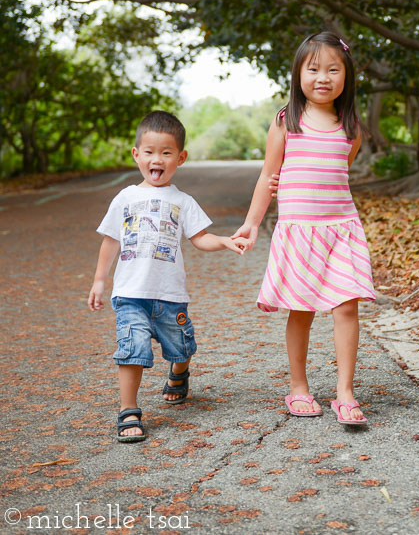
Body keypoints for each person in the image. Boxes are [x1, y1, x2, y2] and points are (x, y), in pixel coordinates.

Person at [234, 32, 376, 424]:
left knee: (346, 306)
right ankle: (298, 387)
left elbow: (338, 173)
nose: (323, 77)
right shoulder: (286, 121)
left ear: (346, 76)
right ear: (298, 74)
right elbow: (269, 174)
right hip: (299, 231)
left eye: (333, 69)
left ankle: (345, 393)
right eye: (313, 69)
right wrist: (251, 223)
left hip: (342, 229)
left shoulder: (351, 127)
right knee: (302, 309)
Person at [88, 110, 246, 442]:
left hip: (169, 294)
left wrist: (224, 241)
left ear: (181, 157)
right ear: (136, 155)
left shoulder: (182, 201)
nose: (156, 159)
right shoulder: (126, 198)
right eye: (149, 152)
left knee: (180, 346)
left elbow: (200, 238)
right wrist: (100, 280)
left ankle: (179, 371)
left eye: (166, 152)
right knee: (131, 347)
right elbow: (111, 239)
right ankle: (128, 409)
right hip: (130, 293)